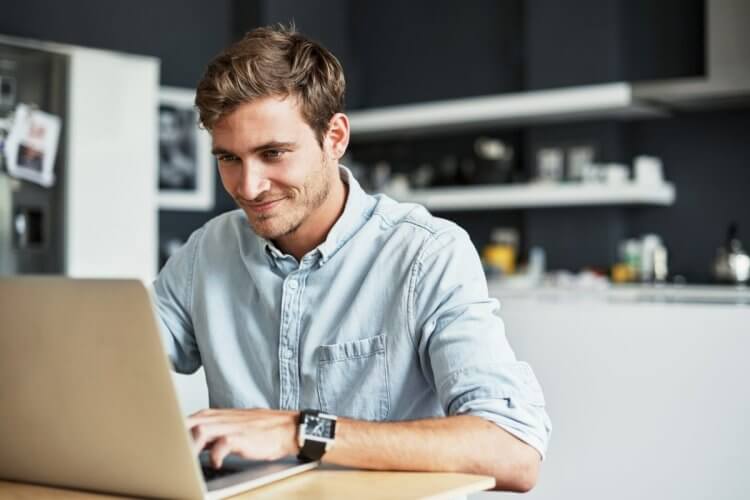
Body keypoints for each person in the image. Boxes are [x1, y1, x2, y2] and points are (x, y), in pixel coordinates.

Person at [153, 24, 551, 492]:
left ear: (335, 137)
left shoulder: (427, 253)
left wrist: (300, 431)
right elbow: (117, 363)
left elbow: (514, 450)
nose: (248, 186)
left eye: (273, 153)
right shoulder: (207, 250)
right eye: (229, 159)